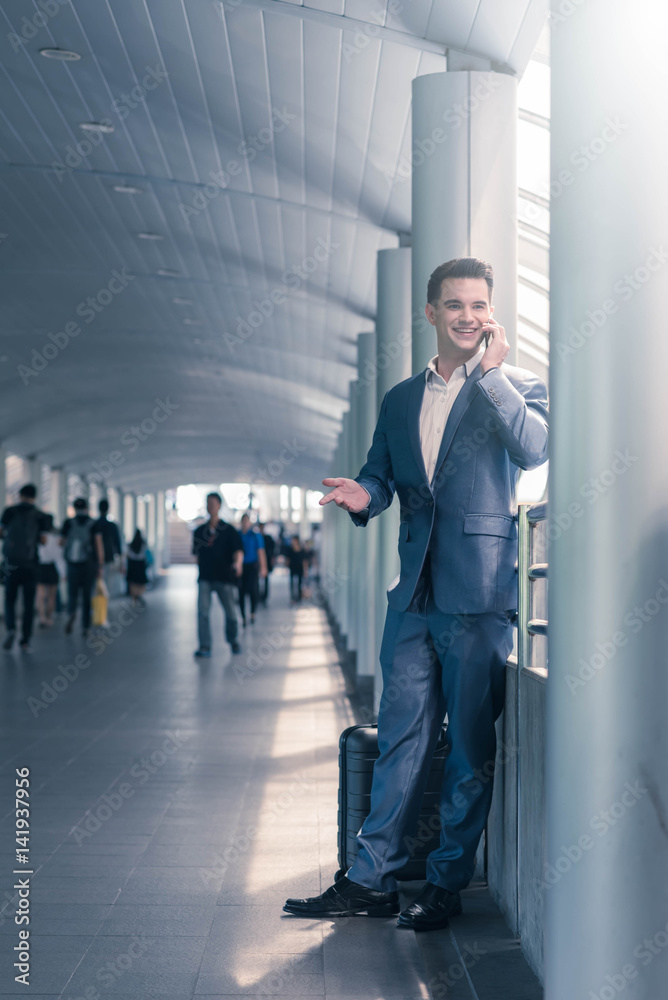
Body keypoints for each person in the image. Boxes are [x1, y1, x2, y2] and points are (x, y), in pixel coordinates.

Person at [284, 257, 549, 930]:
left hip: (479, 594)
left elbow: (535, 450)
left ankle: (444, 883)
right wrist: (362, 495)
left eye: (478, 305)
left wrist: (491, 375)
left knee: (467, 749)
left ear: (491, 314)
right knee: (402, 736)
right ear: (430, 312)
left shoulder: (512, 385)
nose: (467, 315)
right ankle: (370, 878)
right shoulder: (401, 398)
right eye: (454, 304)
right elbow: (380, 474)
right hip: (412, 595)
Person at [193, 492, 243, 658]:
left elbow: (237, 551)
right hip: (205, 577)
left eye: (213, 503)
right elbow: (197, 556)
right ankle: (205, 646)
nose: (210, 506)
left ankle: (233, 640)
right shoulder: (200, 531)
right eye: (208, 503)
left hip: (225, 577)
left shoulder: (228, 530)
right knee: (203, 612)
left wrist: (238, 563)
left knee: (230, 613)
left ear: (219, 506)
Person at [1, 483, 50, 651]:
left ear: (20, 495)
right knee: (29, 603)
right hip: (30, 564)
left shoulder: (9, 512)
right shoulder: (40, 516)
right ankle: (25, 640)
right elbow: (43, 541)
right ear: (35, 497)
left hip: (10, 562)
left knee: (9, 599)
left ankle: (11, 628)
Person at [61, 497, 96, 637]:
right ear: (87, 508)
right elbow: (98, 544)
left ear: (74, 509)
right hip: (88, 564)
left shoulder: (68, 523)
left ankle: (72, 613)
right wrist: (99, 564)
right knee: (87, 595)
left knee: (72, 594)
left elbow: (61, 542)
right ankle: (85, 627)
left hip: (72, 564)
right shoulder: (93, 523)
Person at [92, 499, 122, 608]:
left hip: (94, 559)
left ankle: (95, 607)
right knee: (106, 584)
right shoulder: (112, 525)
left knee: (95, 584)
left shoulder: (94, 524)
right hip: (108, 557)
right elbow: (117, 543)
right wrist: (120, 559)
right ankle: (104, 608)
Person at [238, 513, 267, 626]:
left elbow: (261, 551)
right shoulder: (238, 535)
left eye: (247, 521)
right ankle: (243, 617)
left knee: (253, 590)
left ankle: (252, 613)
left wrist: (263, 567)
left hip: (252, 566)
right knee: (241, 592)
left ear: (249, 523)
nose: (245, 523)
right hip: (242, 567)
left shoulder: (255, 535)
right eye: (243, 521)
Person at [36, 514, 63, 628]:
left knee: (41, 595)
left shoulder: (38, 535)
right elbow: (58, 555)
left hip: (40, 566)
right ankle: (49, 618)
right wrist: (63, 572)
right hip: (53, 567)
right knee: (51, 596)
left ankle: (42, 617)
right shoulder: (56, 536)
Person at [126, 530, 148, 608]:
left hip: (133, 565)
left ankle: (134, 597)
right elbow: (145, 554)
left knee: (133, 582)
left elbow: (128, 554)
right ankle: (139, 595)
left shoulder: (131, 544)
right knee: (140, 582)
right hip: (140, 565)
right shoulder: (143, 544)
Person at [258, 522, 275, 606]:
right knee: (257, 580)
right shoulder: (257, 537)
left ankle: (264, 596)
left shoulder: (268, 538)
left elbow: (272, 550)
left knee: (266, 579)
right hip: (257, 562)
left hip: (267, 561)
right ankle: (258, 595)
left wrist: (272, 560)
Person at [288, 535, 305, 602]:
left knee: (299, 583)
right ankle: (292, 597)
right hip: (292, 567)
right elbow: (288, 559)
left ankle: (299, 597)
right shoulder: (290, 549)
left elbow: (304, 560)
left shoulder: (301, 549)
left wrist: (305, 569)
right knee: (292, 583)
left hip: (299, 567)